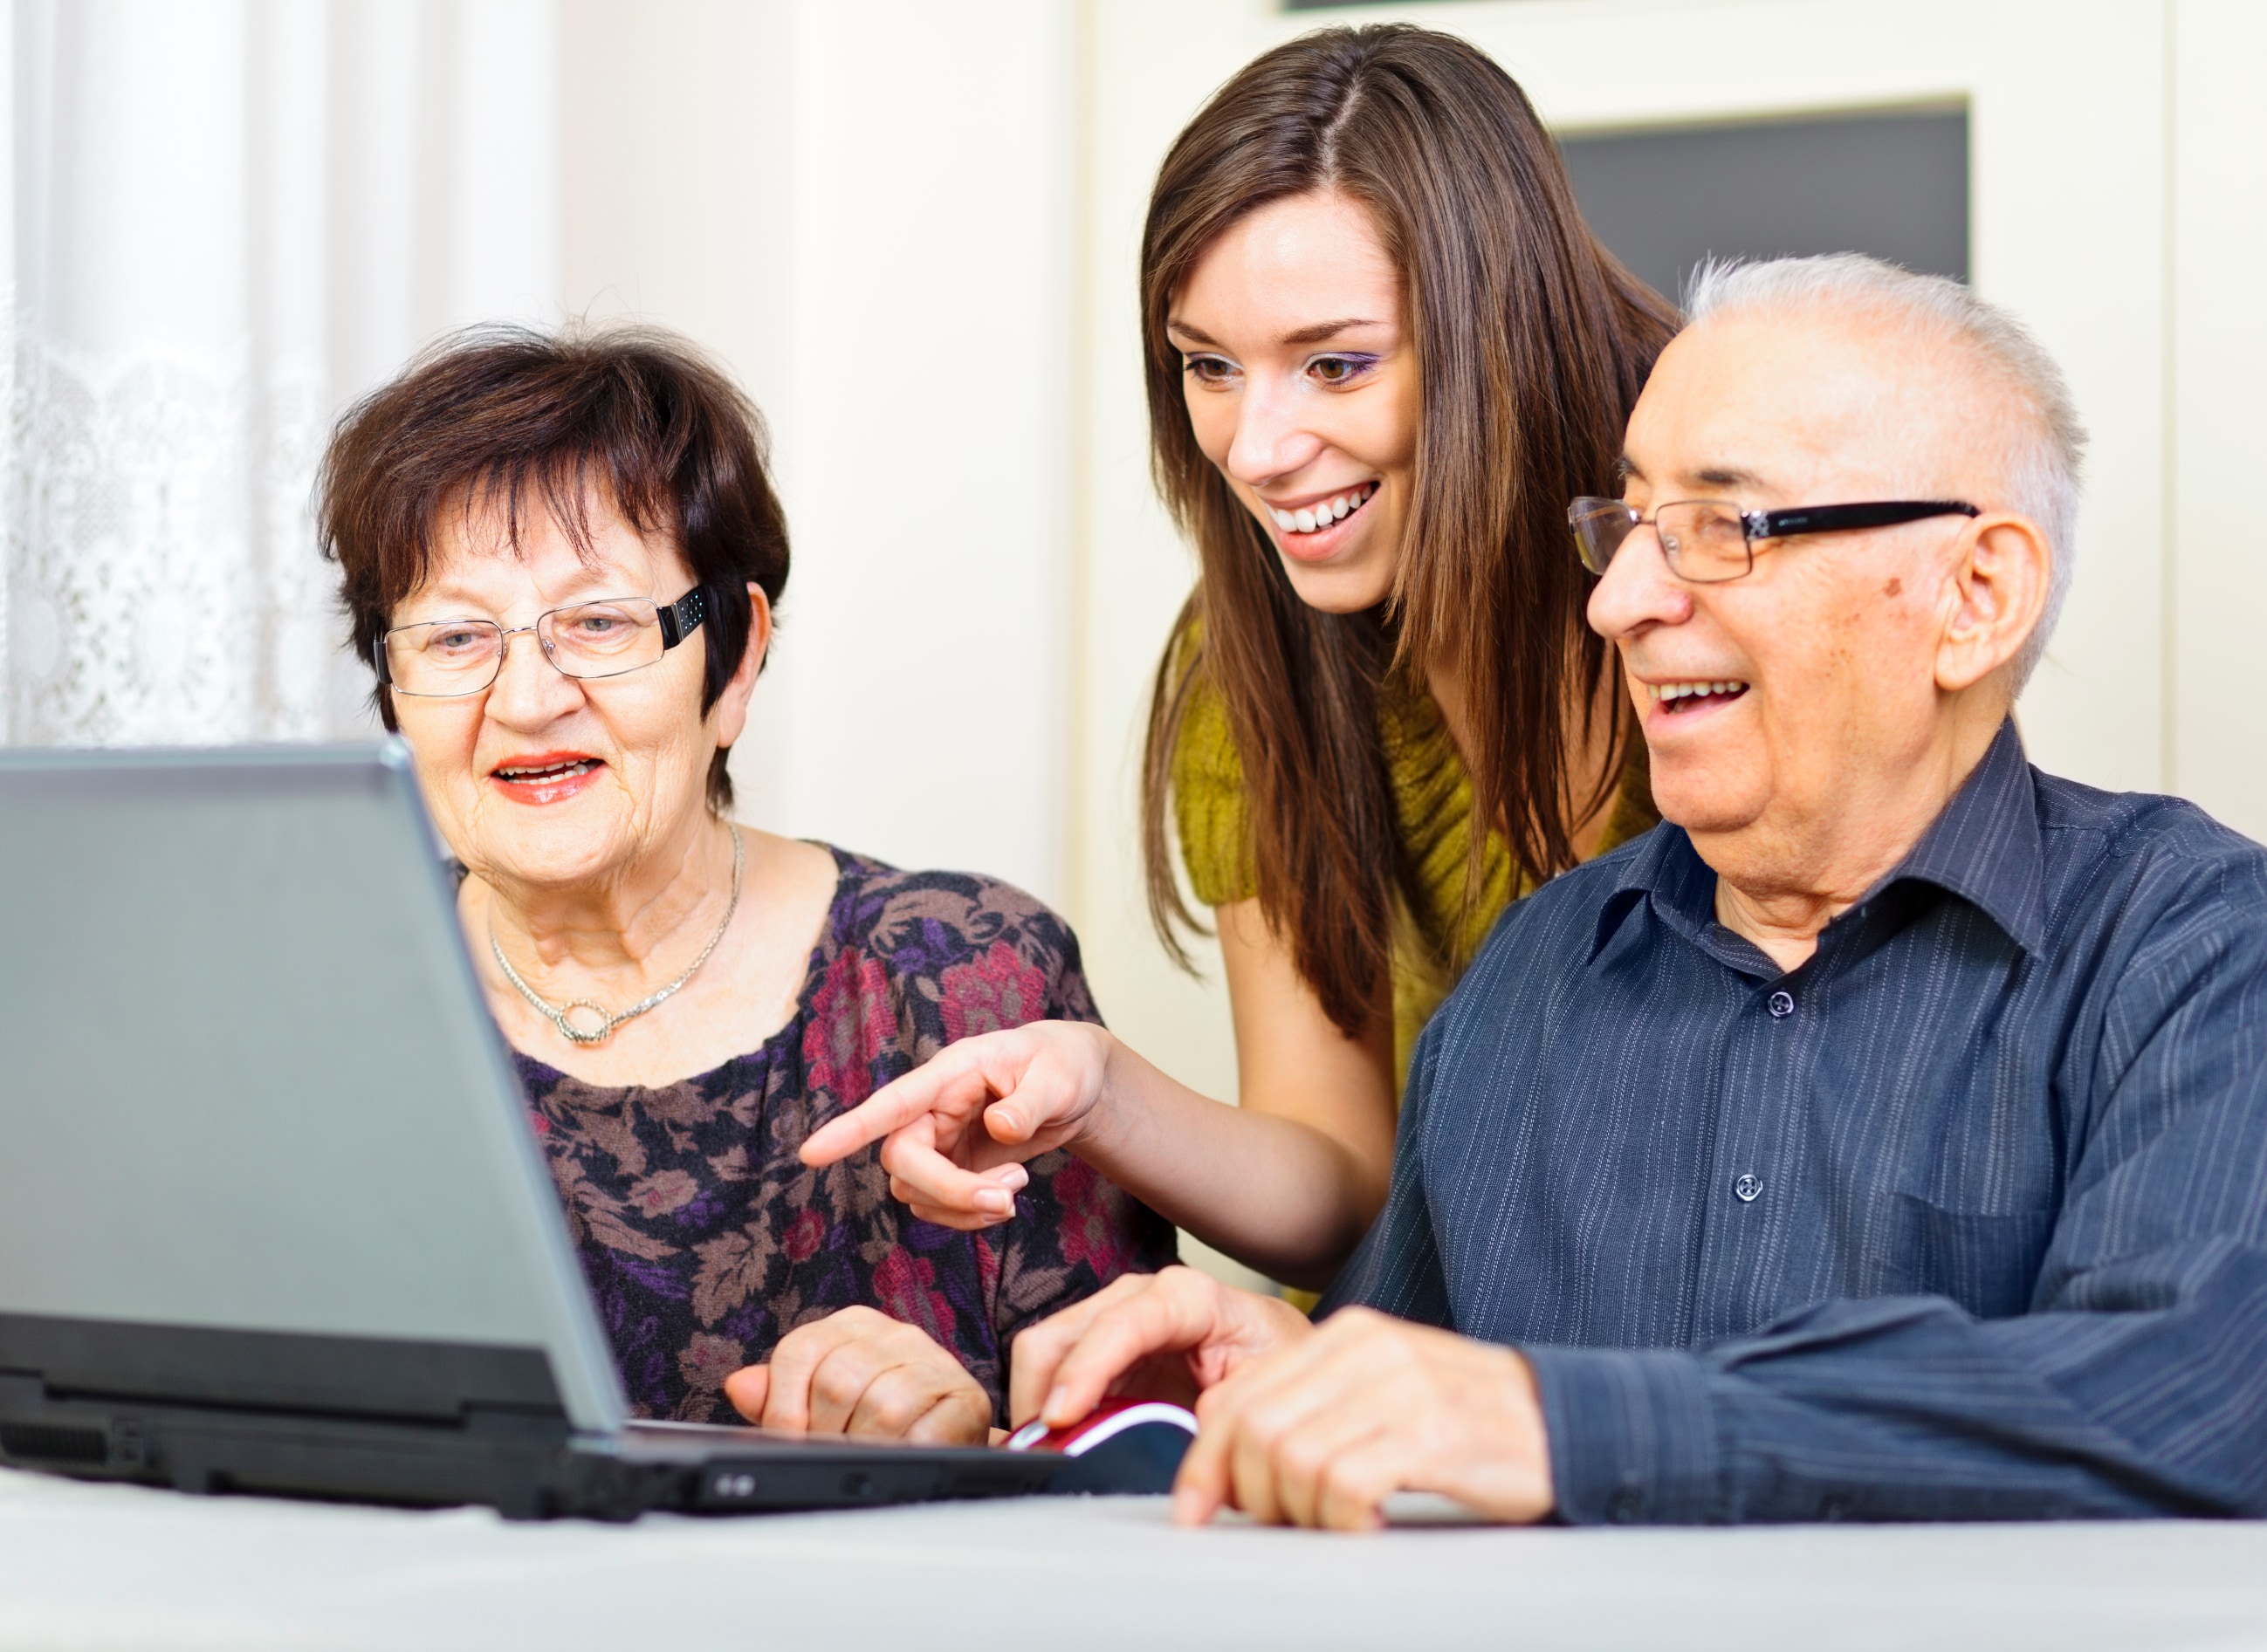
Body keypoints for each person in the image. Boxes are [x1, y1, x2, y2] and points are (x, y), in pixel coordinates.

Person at [840, 254, 2267, 1526]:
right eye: (1630, 524)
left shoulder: (2191, 948)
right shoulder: (1534, 974)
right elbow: (1412, 1379)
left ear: (1974, 593)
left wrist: (1556, 1419)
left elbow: (2191, 1392)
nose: (1618, 599)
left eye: (1724, 527)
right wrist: (1286, 1374)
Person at [803, 23, 1675, 1290]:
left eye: (1335, 364)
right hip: (1423, 1365)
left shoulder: (1705, 577)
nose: (1258, 448)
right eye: (1209, 366)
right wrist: (1098, 1095)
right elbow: (1344, 1175)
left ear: (1495, 332)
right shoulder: (1252, 652)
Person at [315, 326, 1172, 1442]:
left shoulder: (964, 981)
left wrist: (972, 1450)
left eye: (598, 623)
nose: (526, 699)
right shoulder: (323, 995)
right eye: (456, 637)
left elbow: (1137, 1467)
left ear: (736, 658)